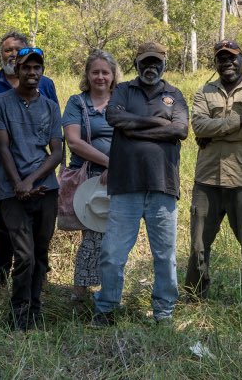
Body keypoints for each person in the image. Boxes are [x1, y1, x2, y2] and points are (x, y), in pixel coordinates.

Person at [92, 41, 189, 327]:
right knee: (112, 252)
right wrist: (159, 123)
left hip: (163, 185)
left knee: (165, 255)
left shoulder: (174, 94)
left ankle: (163, 313)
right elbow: (114, 117)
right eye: (145, 62)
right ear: (136, 64)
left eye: (156, 62)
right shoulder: (122, 90)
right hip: (126, 185)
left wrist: (135, 129)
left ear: (164, 65)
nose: (150, 67)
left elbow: (181, 129)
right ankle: (107, 308)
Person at [184, 39, 242, 310]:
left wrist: (215, 131)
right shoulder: (204, 92)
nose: (228, 63)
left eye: (233, 58)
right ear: (216, 63)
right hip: (206, 181)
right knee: (199, 246)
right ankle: (195, 299)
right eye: (222, 58)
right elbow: (198, 125)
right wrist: (237, 120)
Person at [0, 46, 63, 330]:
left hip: (45, 190)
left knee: (40, 254)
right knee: (24, 256)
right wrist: (18, 184)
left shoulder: (51, 107)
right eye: (26, 67)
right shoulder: (0, 103)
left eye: (37, 68)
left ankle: (35, 310)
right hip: (12, 192)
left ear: (42, 72)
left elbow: (56, 152)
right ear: (16, 70)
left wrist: (31, 182)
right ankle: (17, 313)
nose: (32, 72)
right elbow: (2, 147)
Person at [61, 50, 121, 301]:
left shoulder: (121, 100)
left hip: (119, 178)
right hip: (89, 179)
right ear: (87, 74)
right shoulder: (78, 102)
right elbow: (73, 141)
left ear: (113, 75)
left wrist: (117, 167)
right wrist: (109, 162)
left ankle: (108, 290)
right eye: (95, 72)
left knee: (114, 236)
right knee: (92, 234)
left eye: (105, 72)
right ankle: (81, 291)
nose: (100, 77)